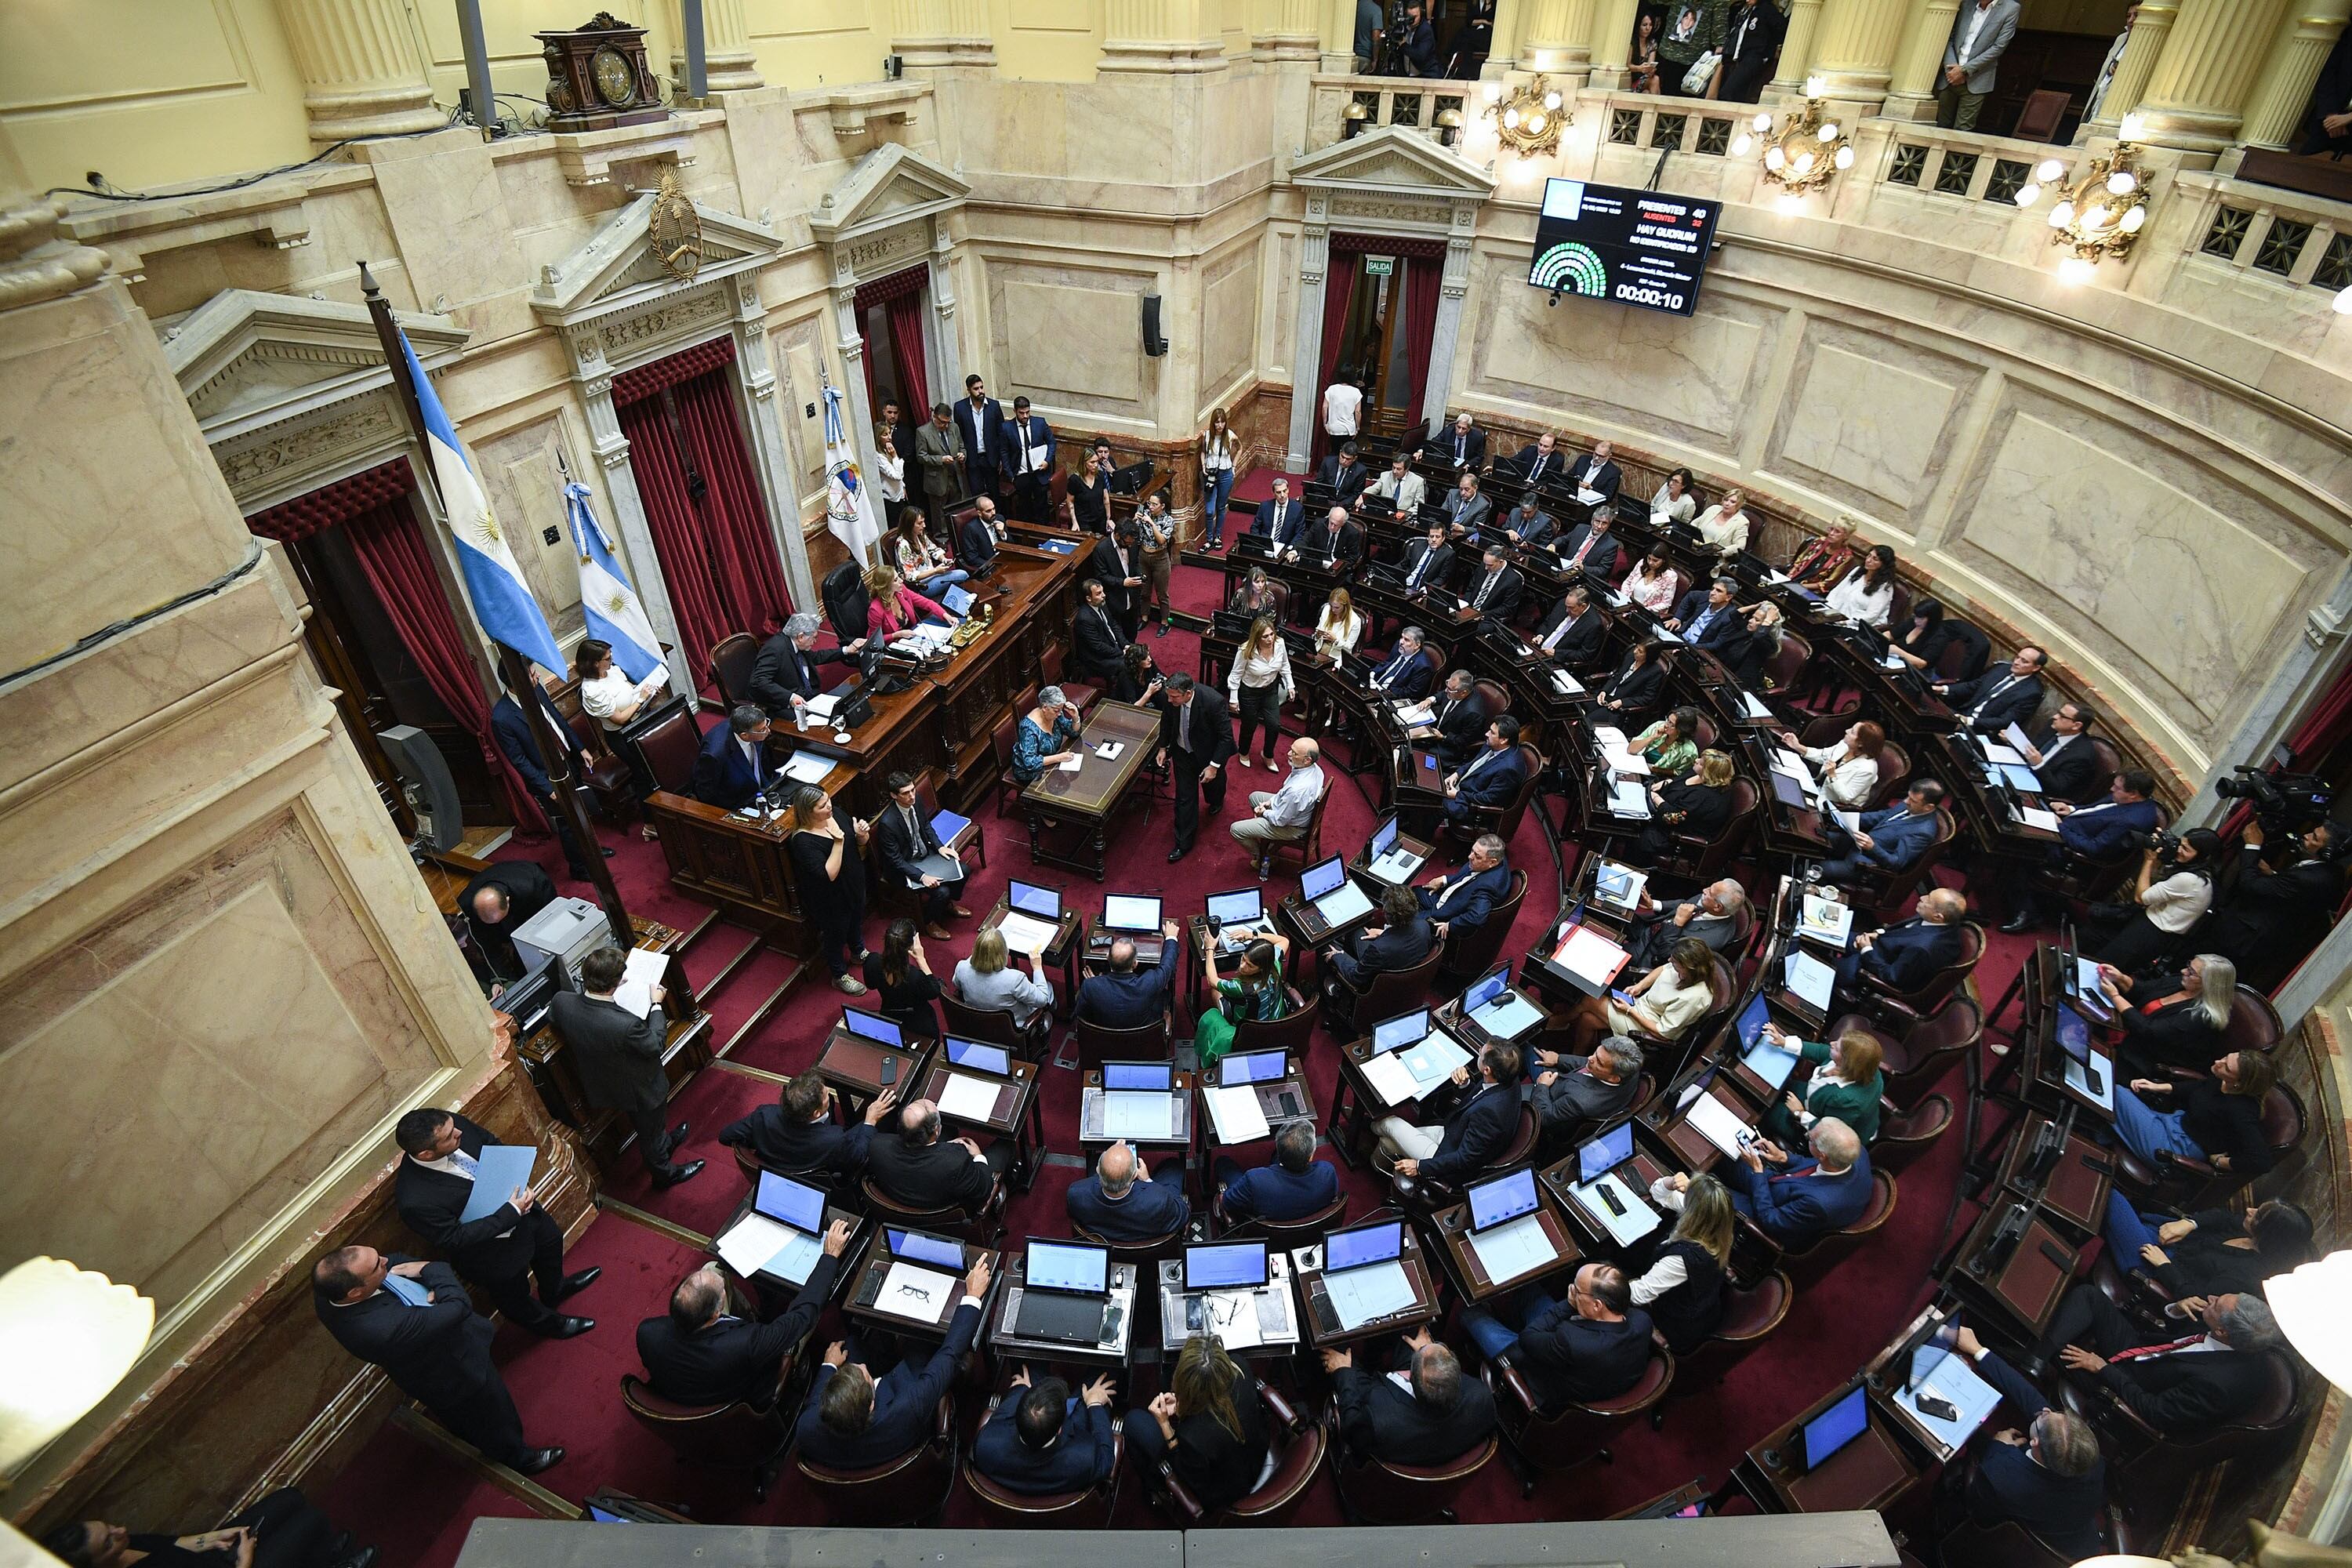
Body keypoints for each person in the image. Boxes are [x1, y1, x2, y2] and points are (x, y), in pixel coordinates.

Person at [312, 1245, 560, 1474]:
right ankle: (519, 1458)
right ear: (356, 1292)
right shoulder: (382, 1328)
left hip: (421, 1367)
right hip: (454, 1371)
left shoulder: (330, 1292)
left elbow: (398, 1259)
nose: (386, 1260)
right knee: (493, 1413)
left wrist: (434, 1289)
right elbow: (459, 1306)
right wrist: (432, 1269)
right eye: (378, 1265)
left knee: (460, 1416)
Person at [392, 1109, 595, 1339]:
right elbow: (454, 1237)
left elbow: (491, 1143)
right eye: (450, 1136)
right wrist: (511, 1212)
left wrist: (517, 1177)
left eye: (454, 1127)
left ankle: (556, 1289)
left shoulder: (449, 1124)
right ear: (427, 1154)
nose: (459, 1132)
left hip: (525, 1215)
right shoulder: (414, 1200)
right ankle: (552, 1326)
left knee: (551, 1241)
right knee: (516, 1299)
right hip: (490, 1253)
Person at [799, 1256, 993, 1468]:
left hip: (859, 1451)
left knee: (852, 1345)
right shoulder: (908, 1409)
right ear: (872, 1404)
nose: (863, 1367)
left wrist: (829, 1366)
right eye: (865, 1374)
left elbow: (815, 1402)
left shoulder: (807, 1430)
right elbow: (949, 1355)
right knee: (922, 1344)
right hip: (899, 1405)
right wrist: (973, 1296)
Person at [637, 1220, 852, 1409]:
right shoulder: (747, 1343)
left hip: (699, 1379)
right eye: (722, 1291)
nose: (723, 1288)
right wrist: (829, 1257)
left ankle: (752, 1312)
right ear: (715, 1315)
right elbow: (802, 1316)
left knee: (713, 1267)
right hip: (748, 1389)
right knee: (810, 1311)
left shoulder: (647, 1332)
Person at [1941, 1324, 2107, 1559]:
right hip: (2073, 1533)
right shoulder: (2091, 1462)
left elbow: (1979, 1513)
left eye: (2044, 1418)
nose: (2045, 1411)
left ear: (2035, 1442)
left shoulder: (2001, 1476)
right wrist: (1978, 1350)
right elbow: (2031, 1398)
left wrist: (1999, 1446)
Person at [2034, 1284, 2283, 1434]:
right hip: (2141, 1352)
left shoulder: (2217, 1386)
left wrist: (2103, 1369)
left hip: (2124, 1388)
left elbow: (2155, 1411)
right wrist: (2176, 1308)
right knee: (2089, 1296)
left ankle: (2031, 1361)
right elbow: (2176, 1340)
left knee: (2061, 1346)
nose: (2210, 1298)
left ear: (2222, 1333)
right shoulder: (2236, 1337)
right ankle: (2035, 1358)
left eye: (2216, 1304)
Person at [550, 945, 703, 1185]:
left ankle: (665, 1143)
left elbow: (557, 1020)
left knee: (654, 1129)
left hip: (602, 1082)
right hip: (638, 1090)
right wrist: (656, 1005)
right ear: (614, 984)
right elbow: (654, 1045)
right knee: (650, 1132)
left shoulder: (561, 1002)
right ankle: (665, 1174)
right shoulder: (625, 1026)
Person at [1461, 1262, 1652, 1410]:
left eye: (1577, 1291)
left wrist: (1569, 1305)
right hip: (1582, 1365)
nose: (1571, 1290)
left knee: (1468, 1312)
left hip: (1534, 1370)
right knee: (1526, 1287)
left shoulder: (1571, 1340)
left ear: (1597, 1305)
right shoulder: (1642, 1321)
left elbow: (1527, 1339)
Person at [2000, 768, 2161, 934]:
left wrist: (2060, 827)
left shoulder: (2130, 821)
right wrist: (2071, 808)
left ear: (2133, 794)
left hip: (2070, 853)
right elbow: (2095, 811)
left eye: (2117, 788)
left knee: (2020, 848)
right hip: (2062, 827)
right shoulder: (2130, 800)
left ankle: (2026, 912)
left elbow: (2094, 848)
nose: (2112, 789)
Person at [1123, 1336, 1272, 1515]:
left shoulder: (1192, 1436)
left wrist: (1165, 1425)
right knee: (1165, 1378)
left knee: (1134, 1421)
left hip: (1223, 1490)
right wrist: (1182, 1403)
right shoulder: (1240, 1366)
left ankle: (1154, 1487)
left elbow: (1188, 1477)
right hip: (1252, 1454)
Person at [2201, 818, 2347, 990]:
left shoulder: (2311, 877)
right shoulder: (2332, 873)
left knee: (2210, 979)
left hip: (2245, 938)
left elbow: (2250, 885)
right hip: (2262, 935)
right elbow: (2295, 894)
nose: (2306, 836)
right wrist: (2274, 875)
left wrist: (2252, 847)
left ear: (2328, 852)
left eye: (2314, 838)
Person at [45, 1494, 374, 1568]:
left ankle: (317, 1557)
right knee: (309, 1521)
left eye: (110, 1527)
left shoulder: (130, 1544)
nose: (120, 1530)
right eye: (109, 1540)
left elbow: (174, 1544)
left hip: (216, 1558)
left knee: (290, 1498)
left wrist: (216, 1538)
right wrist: (244, 1560)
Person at [1325, 1327, 1497, 1466]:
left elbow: (1351, 1426)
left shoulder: (1377, 1421)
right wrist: (1429, 1350)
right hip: (1430, 1442)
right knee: (1413, 1328)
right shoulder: (1482, 1397)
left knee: (1336, 1349)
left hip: (1384, 1412)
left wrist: (1343, 1373)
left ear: (1410, 1377)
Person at [489, 666, 600, 880]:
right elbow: (519, 761)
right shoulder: (502, 718)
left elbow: (558, 720)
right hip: (547, 779)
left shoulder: (538, 691)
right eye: (532, 673)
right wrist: (548, 789)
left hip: (567, 760)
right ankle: (579, 868)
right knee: (568, 823)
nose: (538, 675)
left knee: (582, 810)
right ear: (516, 679)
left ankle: (594, 852)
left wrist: (580, 748)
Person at [2102, 1198, 2313, 1307]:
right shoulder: (2249, 1230)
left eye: (2257, 1216)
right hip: (2173, 1243)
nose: (2250, 1210)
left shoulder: (2246, 1276)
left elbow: (2199, 1298)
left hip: (2156, 1269)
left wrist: (2164, 1265)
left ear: (2268, 1235)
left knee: (2107, 1197)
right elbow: (2220, 1216)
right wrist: (2190, 1223)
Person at [2113, 1051, 2278, 1178]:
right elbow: (2199, 1088)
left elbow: (2261, 1161)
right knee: (2118, 1095)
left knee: (2116, 1094)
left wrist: (2220, 1162)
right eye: (2225, 1058)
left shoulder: (2242, 1111)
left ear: (2239, 1083)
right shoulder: (2221, 1080)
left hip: (2176, 1147)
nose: (2218, 1063)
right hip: (2171, 1122)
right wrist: (2157, 1087)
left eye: (2226, 1067)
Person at [1377, 1041, 1523, 1184]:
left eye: (1481, 1053)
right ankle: (1378, 1167)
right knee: (1387, 1143)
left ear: (1487, 1070)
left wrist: (1419, 1167)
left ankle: (1368, 1128)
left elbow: (1465, 1159)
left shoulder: (1490, 1113)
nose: (1478, 1051)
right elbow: (1480, 1098)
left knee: (1388, 1123)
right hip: (1454, 1133)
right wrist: (1465, 1085)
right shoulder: (1509, 1077)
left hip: (1449, 1158)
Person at [2082, 829, 2220, 973]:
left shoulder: (2190, 880)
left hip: (2150, 933)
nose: (2178, 850)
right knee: (2090, 938)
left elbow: (2141, 897)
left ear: (2203, 856)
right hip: (2148, 925)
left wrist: (2149, 860)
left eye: (2186, 849)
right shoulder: (2201, 877)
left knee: (2103, 968)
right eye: (2180, 844)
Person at [1721, 1118, 1873, 1247]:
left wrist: (1758, 1172)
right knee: (1729, 1156)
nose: (1807, 1134)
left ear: (1822, 1154)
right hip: (1778, 1184)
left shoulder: (1818, 1204)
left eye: (1810, 1139)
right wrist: (1783, 1157)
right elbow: (1814, 1164)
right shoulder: (1855, 1152)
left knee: (1709, 1191)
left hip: (1767, 1211)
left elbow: (1770, 1220)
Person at [720, 1068, 896, 1178]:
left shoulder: (764, 1116)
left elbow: (726, 1136)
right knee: (883, 1116)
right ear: (816, 1113)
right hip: (819, 1172)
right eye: (826, 1095)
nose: (828, 1092)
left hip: (784, 1163)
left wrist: (765, 1141)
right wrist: (870, 1121)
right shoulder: (834, 1139)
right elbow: (856, 1157)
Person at [975, 1366, 1120, 1496]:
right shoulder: (1084, 1460)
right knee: (1102, 1376)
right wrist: (1094, 1403)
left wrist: (1020, 1391)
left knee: (1030, 1370)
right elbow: (1106, 1459)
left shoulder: (986, 1445)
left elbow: (1000, 1419)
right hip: (1073, 1443)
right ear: (1060, 1428)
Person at [1631, 1172, 1733, 1355]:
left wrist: (1619, 1282)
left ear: (1693, 1212)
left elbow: (1638, 1295)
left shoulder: (1682, 1260)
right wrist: (1670, 1182)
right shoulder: (1717, 1223)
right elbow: (1659, 1194)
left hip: (1677, 1324)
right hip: (1703, 1305)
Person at [783, 784, 872, 993]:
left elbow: (859, 846)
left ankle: (858, 951)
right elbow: (828, 874)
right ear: (808, 811)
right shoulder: (803, 841)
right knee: (836, 935)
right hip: (830, 899)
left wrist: (861, 835)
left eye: (828, 800)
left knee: (856, 919)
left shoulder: (836, 814)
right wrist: (838, 842)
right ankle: (839, 974)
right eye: (823, 805)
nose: (829, 806)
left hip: (853, 884)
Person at [1561, 935, 1716, 1052]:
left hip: (1648, 1026)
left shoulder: (1695, 998)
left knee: (1590, 1000)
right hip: (1640, 1006)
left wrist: (1629, 1011)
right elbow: (1663, 969)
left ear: (1688, 967)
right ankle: (1577, 1057)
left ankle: (1560, 1021)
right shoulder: (1686, 969)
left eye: (1675, 962)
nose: (1670, 961)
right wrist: (1640, 986)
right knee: (1587, 1019)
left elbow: (1664, 1033)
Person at [869, 1098, 1011, 1213]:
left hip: (902, 1201)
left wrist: (945, 1147)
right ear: (936, 1131)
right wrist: (978, 1156)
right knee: (1005, 1145)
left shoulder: (876, 1145)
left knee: (949, 1130)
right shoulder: (957, 1163)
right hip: (943, 1212)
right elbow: (984, 1189)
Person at [874, 768, 967, 939]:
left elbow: (926, 826)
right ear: (894, 796)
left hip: (925, 854)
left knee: (963, 870)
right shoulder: (888, 823)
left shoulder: (916, 802)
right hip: (905, 867)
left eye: (912, 790)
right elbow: (895, 861)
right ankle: (929, 922)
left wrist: (940, 847)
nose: (911, 796)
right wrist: (922, 876)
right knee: (942, 892)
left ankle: (947, 905)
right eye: (905, 793)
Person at [1156, 673, 1235, 862]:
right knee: (1185, 798)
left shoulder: (1213, 702)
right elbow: (1166, 721)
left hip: (1209, 754)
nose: (1169, 700)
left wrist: (1214, 767)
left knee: (1213, 787)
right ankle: (1183, 843)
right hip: (1182, 752)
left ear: (1189, 694)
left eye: (1175, 697)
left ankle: (1216, 800)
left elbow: (1226, 738)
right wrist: (1162, 747)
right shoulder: (1171, 698)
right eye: (1169, 695)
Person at [1759, 1028, 1885, 1146]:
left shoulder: (1847, 1100)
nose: (1832, 1043)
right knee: (1779, 1088)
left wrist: (1800, 1113)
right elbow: (1820, 1051)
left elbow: (1830, 1133)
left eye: (1837, 1048)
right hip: (1816, 1100)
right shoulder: (1865, 1066)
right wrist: (1784, 1042)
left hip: (1822, 1135)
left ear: (1847, 1062)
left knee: (1768, 1110)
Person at [1837, 886, 1968, 997]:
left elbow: (1892, 977)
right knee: (1833, 932)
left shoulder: (1922, 949)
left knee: (1826, 967)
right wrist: (1878, 934)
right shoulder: (1940, 920)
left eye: (1928, 900)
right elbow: (1905, 933)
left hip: (1872, 967)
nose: (1922, 897)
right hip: (1880, 946)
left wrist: (1866, 950)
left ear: (1938, 917)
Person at [1817, 779, 1946, 887]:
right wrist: (1846, 816)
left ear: (1928, 807)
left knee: (1815, 868)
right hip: (1854, 843)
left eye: (1913, 801)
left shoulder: (1923, 832)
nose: (1906, 801)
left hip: (1863, 864)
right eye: (1908, 796)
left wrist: (1873, 847)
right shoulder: (1908, 805)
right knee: (1813, 837)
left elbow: (1895, 863)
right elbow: (1881, 817)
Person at [1329, 881, 1436, 1006]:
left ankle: (1331, 1001)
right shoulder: (1423, 926)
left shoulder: (1379, 949)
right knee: (1357, 931)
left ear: (1387, 915)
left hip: (1378, 984)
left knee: (1327, 947)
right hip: (1403, 966)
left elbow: (1355, 977)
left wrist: (1338, 955)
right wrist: (1384, 933)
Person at [1193, 931, 1291, 1065]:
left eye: (1250, 965)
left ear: (1261, 969)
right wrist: (1252, 936)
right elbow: (1284, 940)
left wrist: (1210, 949)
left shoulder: (1242, 988)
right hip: (1276, 1023)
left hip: (1250, 1034)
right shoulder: (1274, 963)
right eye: (1243, 959)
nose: (1242, 966)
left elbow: (1212, 980)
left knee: (1214, 1000)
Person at [1215, 1120, 1340, 1225]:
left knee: (1223, 1163)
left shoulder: (1255, 1181)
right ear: (1311, 1156)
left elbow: (1227, 1202)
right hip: (1307, 1229)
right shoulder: (1327, 1173)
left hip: (1266, 1228)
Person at [749, 611, 865, 722]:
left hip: (809, 696)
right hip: (784, 705)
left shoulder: (796, 644)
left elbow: (815, 657)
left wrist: (846, 650)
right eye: (814, 637)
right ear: (801, 637)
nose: (815, 641)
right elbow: (758, 681)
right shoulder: (775, 649)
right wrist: (790, 697)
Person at [1068, 1138, 1191, 1241]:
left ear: (1098, 1171)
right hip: (1146, 1237)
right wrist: (1148, 1181)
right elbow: (1183, 1214)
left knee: (1095, 1158)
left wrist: (1115, 1154)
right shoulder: (1159, 1201)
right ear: (1134, 1176)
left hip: (1104, 1236)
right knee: (1173, 1166)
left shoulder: (1076, 1193)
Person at [1232, 736, 1325, 873]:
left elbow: (1280, 820)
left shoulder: (1297, 791)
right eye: (1291, 749)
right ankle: (1269, 844)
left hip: (1292, 827)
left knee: (1236, 830)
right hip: (1296, 813)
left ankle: (1264, 856)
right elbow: (1284, 792)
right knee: (1254, 797)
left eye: (1294, 753)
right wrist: (1269, 802)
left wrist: (1263, 812)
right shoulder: (1315, 769)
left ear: (1307, 760)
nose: (1288, 754)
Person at [1632, 747, 1736, 866]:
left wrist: (1656, 798)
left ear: (1708, 773)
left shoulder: (1705, 798)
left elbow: (1672, 818)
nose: (1696, 760)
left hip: (1674, 835)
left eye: (1701, 763)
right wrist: (1667, 782)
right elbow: (1678, 780)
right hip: (1660, 810)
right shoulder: (1696, 773)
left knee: (1640, 839)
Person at [459, 860, 557, 983]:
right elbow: (485, 942)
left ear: (508, 901)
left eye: (498, 919)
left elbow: (550, 922)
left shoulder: (533, 888)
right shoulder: (467, 905)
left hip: (531, 887)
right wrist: (497, 978)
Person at [1531, 1034, 1643, 1139]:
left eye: (1599, 1062)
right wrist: (1558, 1059)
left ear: (1614, 1078)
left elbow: (1544, 1117)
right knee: (1526, 1048)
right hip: (1563, 1079)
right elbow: (1588, 1063)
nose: (1590, 1058)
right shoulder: (1630, 1069)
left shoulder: (1580, 1101)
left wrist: (1542, 1086)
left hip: (1547, 1098)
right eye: (1596, 1053)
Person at [1624, 877, 1750, 970]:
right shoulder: (1710, 902)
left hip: (1649, 953)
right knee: (1613, 910)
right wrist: (1654, 905)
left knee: (1608, 946)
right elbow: (1684, 904)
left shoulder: (1710, 940)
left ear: (1718, 907)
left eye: (1709, 892)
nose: (1704, 890)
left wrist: (1677, 924)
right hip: (1651, 927)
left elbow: (1667, 957)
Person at [1077, 919, 1185, 1026]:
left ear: (1107, 958)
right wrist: (1171, 938)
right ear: (1135, 964)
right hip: (1142, 1039)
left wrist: (1095, 984)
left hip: (1103, 1040)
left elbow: (1084, 1018)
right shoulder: (1149, 983)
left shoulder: (1090, 985)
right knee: (1164, 997)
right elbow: (1168, 966)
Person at [952, 926, 1058, 1035]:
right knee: (1048, 987)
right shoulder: (1015, 979)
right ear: (1004, 952)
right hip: (1012, 1031)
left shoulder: (962, 968)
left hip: (978, 1024)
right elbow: (1042, 999)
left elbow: (957, 985)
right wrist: (1037, 968)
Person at [1938, 0, 2020, 131]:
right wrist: (1951, 68)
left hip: (1977, 79)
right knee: (1939, 126)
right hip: (1949, 76)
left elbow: (1998, 47)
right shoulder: (1965, 3)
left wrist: (1965, 70)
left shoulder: (2010, 9)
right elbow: (1948, 37)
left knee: (1962, 131)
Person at [1418, 833, 1512, 944]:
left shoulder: (1488, 887)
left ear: (1492, 862)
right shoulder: (1497, 857)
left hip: (1444, 912)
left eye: (1477, 856)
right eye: (1472, 851)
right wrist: (1445, 880)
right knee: (1415, 891)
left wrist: (1450, 925)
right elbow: (1467, 877)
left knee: (1405, 920)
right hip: (1451, 896)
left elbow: (1477, 917)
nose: (1470, 857)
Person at [1226, 615, 1294, 768]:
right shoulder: (1246, 650)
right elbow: (1235, 675)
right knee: (1249, 725)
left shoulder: (1280, 643)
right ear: (1257, 637)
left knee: (1274, 725)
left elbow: (1285, 666)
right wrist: (1233, 698)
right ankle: (1243, 752)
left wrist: (1290, 685)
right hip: (1249, 693)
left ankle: (1268, 754)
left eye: (1272, 634)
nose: (1270, 639)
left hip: (1270, 690)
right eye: (1265, 636)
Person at [1936, 646, 2049, 735]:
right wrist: (1942, 689)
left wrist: (1969, 721)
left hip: (1980, 729)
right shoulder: (2002, 669)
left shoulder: (2032, 692)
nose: (2016, 662)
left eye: (2024, 661)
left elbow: (2005, 721)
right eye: (2017, 657)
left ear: (2036, 668)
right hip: (1961, 713)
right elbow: (1973, 686)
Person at [862, 920, 945, 1040]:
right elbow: (934, 991)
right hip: (919, 1026)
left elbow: (870, 985)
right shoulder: (915, 977)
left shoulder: (872, 961)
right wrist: (921, 959)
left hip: (889, 1016)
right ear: (911, 946)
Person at [1779, 720, 1883, 811]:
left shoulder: (1867, 769)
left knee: (1785, 797)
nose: (1847, 730)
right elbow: (1822, 756)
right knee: (1782, 781)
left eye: (1852, 732)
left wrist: (1833, 776)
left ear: (1860, 743)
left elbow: (1846, 798)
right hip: (1816, 787)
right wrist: (1797, 746)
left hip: (1830, 805)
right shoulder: (1844, 745)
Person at [1444, 717, 1529, 828]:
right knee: (1428, 782)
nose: (1486, 734)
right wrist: (1457, 774)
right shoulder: (1493, 745)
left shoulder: (1509, 769)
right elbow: (1473, 763)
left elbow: (1488, 799)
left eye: (1492, 733)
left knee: (1433, 804)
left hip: (1472, 806)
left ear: (1504, 740)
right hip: (1463, 785)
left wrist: (1457, 795)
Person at [575, 637, 669, 735]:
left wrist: (650, 692)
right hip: (625, 733)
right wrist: (641, 699)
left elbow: (633, 690)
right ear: (595, 663)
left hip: (641, 720)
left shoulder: (612, 671)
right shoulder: (593, 690)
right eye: (608, 659)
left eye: (611, 655)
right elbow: (620, 719)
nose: (612, 659)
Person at [2016, 702, 2103, 804]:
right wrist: (2013, 741)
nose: (2055, 717)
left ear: (2076, 725)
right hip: (2021, 772)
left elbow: (2056, 788)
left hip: (2039, 793)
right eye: (2058, 712)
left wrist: (2039, 765)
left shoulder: (2082, 756)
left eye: (2062, 716)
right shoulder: (2052, 727)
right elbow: (2034, 747)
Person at [691, 703, 774, 809]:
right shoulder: (715, 755)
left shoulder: (754, 729)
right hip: (737, 803)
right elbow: (706, 793)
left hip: (761, 790)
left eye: (767, 725)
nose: (768, 731)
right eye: (763, 730)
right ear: (744, 735)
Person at [1713, 0, 1785, 101]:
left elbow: (1781, 30)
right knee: (1739, 92)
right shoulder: (1749, 10)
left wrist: (1767, 51)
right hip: (1743, 56)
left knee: (1728, 92)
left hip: (1755, 56)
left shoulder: (1768, 10)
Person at [1011, 685, 1083, 786]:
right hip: (1030, 773)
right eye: (1056, 710)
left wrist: (1076, 718)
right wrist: (1059, 758)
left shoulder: (1055, 714)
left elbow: (1073, 733)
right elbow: (1030, 763)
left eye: (1060, 710)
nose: (1059, 714)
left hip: (1052, 762)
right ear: (1045, 707)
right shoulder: (1029, 729)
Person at [1411, 669, 1486, 764]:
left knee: (1417, 761)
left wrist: (1443, 737)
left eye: (1450, 689)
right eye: (1447, 685)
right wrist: (1430, 700)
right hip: (1434, 732)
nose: (1446, 690)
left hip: (1447, 747)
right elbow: (1442, 694)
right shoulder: (1455, 692)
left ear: (1463, 693)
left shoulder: (1473, 714)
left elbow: (1463, 741)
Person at [889, 509, 967, 600]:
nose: (924, 526)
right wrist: (935, 571)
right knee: (963, 575)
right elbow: (910, 576)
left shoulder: (920, 535)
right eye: (920, 523)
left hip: (933, 575)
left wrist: (944, 559)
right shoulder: (903, 545)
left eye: (923, 522)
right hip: (921, 585)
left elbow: (934, 550)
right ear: (909, 525)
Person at [865, 563, 956, 640]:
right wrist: (897, 635)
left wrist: (945, 615)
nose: (901, 581)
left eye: (898, 577)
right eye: (896, 580)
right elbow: (874, 640)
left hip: (913, 636)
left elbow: (927, 603)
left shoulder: (901, 591)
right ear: (885, 586)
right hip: (893, 645)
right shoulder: (876, 609)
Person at [913, 403, 967, 532]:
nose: (946, 426)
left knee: (956, 509)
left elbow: (962, 447)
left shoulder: (954, 428)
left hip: (956, 476)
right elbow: (921, 457)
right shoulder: (923, 432)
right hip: (937, 479)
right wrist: (940, 460)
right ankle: (941, 538)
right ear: (935, 417)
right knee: (939, 514)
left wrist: (962, 455)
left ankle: (957, 534)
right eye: (942, 422)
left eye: (948, 422)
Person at [1089, 522, 1146, 642]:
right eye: (1127, 543)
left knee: (1132, 634)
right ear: (1118, 536)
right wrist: (1122, 582)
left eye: (1132, 543)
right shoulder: (1102, 549)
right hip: (1114, 602)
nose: (1130, 546)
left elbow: (1135, 564)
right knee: (1118, 638)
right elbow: (1101, 576)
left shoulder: (1132, 543)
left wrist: (1139, 575)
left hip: (1132, 599)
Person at [1003, 395, 1056, 522]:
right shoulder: (1006, 428)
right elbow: (1004, 452)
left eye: (1027, 412)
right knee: (1024, 509)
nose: (1025, 416)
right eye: (1022, 413)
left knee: (1042, 508)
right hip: (1021, 474)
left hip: (1040, 472)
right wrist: (1010, 475)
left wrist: (1047, 461)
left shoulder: (1040, 423)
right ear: (1015, 411)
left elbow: (1052, 443)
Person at [1657, 0, 1727, 96]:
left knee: (1689, 94)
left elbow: (1720, 23)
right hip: (1671, 51)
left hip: (1696, 55)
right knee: (1668, 92)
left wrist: (1720, 45)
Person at [2084, 4, 2140, 122]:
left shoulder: (2147, 44)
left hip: (2117, 106)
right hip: (2100, 95)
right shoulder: (2121, 39)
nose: (2131, 20)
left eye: (2136, 16)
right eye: (2128, 16)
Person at [953, 373, 1005, 499]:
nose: (980, 391)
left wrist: (1001, 458)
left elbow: (1001, 433)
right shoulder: (960, 408)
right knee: (977, 495)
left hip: (991, 458)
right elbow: (959, 435)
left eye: (981, 387)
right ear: (969, 390)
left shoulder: (994, 406)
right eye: (976, 389)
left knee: (994, 493)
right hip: (973, 459)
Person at [1825, 545, 1899, 630]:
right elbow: (1836, 592)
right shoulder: (1857, 571)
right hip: (1835, 617)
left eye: (1875, 559)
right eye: (1869, 556)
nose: (1868, 560)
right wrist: (1826, 610)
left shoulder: (1885, 587)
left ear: (1884, 565)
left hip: (1855, 626)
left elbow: (1871, 616)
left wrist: (1845, 622)